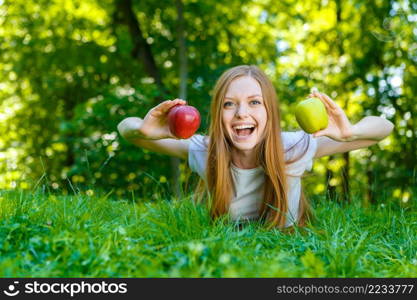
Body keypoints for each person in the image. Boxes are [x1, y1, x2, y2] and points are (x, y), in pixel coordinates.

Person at [117, 65, 394, 229]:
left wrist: (349, 133)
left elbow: (384, 128)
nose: (241, 113)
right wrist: (143, 129)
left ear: (269, 112)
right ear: (218, 114)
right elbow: (127, 130)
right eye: (229, 104)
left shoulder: (293, 147)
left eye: (254, 102)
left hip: (288, 248)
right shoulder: (207, 151)